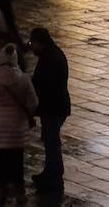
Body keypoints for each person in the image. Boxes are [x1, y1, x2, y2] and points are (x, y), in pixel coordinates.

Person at [0, 43, 38, 201]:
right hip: (17, 129)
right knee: (17, 162)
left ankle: (2, 190)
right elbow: (33, 103)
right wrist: (27, 115)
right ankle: (19, 192)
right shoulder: (24, 79)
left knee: (1, 163)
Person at [29, 27, 71, 194]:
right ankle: (50, 172)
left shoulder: (50, 58)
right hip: (56, 106)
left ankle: (54, 175)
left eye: (32, 43)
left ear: (40, 42)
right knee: (49, 139)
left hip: (53, 108)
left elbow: (44, 86)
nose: (31, 47)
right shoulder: (51, 54)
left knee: (51, 141)